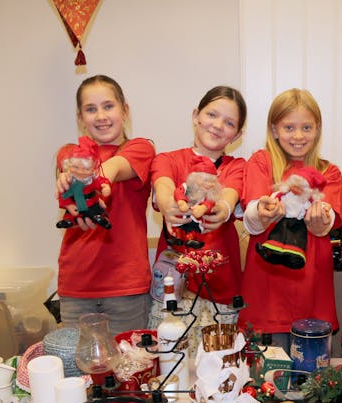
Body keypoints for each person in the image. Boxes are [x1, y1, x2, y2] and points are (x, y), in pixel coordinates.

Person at [239, 88, 342, 350]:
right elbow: (251, 217)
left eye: (306, 127)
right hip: (266, 293)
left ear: (317, 129)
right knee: (266, 372)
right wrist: (261, 213)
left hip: (312, 293)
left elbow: (327, 222)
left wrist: (321, 221)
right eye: (289, 127)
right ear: (274, 129)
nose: (298, 136)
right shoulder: (261, 162)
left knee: (315, 372)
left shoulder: (329, 172)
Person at [55, 75, 155, 331]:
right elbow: (68, 172)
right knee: (75, 357)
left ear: (125, 110)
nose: (101, 116)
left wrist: (95, 180)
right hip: (76, 288)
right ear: (80, 118)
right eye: (91, 109)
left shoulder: (141, 148)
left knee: (128, 356)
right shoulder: (69, 153)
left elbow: (116, 167)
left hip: (126, 288)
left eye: (108, 106)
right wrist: (71, 179)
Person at [149, 86, 247, 333]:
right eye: (211, 115)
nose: (217, 125)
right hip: (173, 288)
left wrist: (223, 209)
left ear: (236, 135)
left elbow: (230, 193)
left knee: (220, 353)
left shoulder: (237, 166)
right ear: (196, 116)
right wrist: (167, 202)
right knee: (172, 351)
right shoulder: (168, 159)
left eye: (229, 123)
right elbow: (163, 183)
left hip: (220, 291)